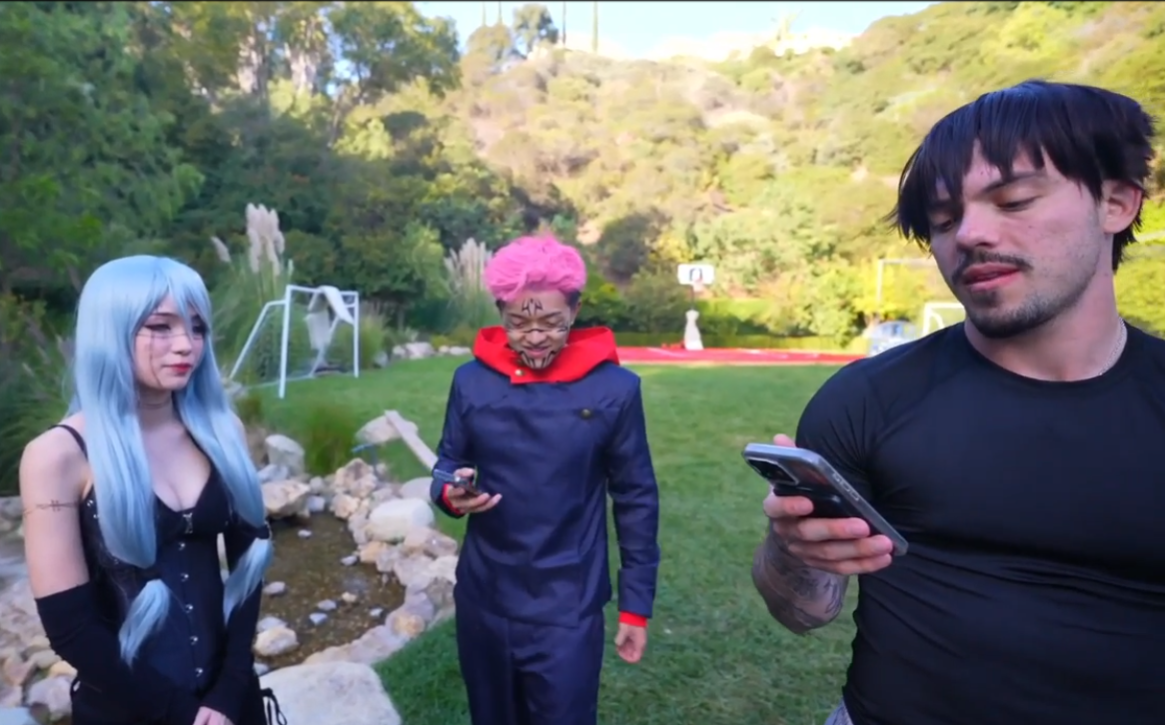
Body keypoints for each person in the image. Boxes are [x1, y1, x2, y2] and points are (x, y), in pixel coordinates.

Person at [751, 79, 1165, 725]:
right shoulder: (865, 400)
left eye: (1014, 200)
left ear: (1115, 202)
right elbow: (802, 611)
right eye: (943, 220)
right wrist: (794, 550)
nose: (969, 234)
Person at [19, 256, 283, 725]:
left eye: (197, 327)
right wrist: (180, 713)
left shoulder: (223, 432)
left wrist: (228, 692)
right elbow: (70, 626)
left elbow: (248, 571)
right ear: (110, 332)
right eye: (160, 326)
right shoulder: (58, 456)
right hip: (127, 711)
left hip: (232, 705)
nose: (186, 344)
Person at [430, 234, 661, 725]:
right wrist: (450, 491)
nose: (535, 336)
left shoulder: (615, 390)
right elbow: (448, 461)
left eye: (552, 322)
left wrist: (635, 606)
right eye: (519, 322)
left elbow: (636, 497)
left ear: (575, 311)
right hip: (484, 599)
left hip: (566, 608)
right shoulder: (471, 382)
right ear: (500, 313)